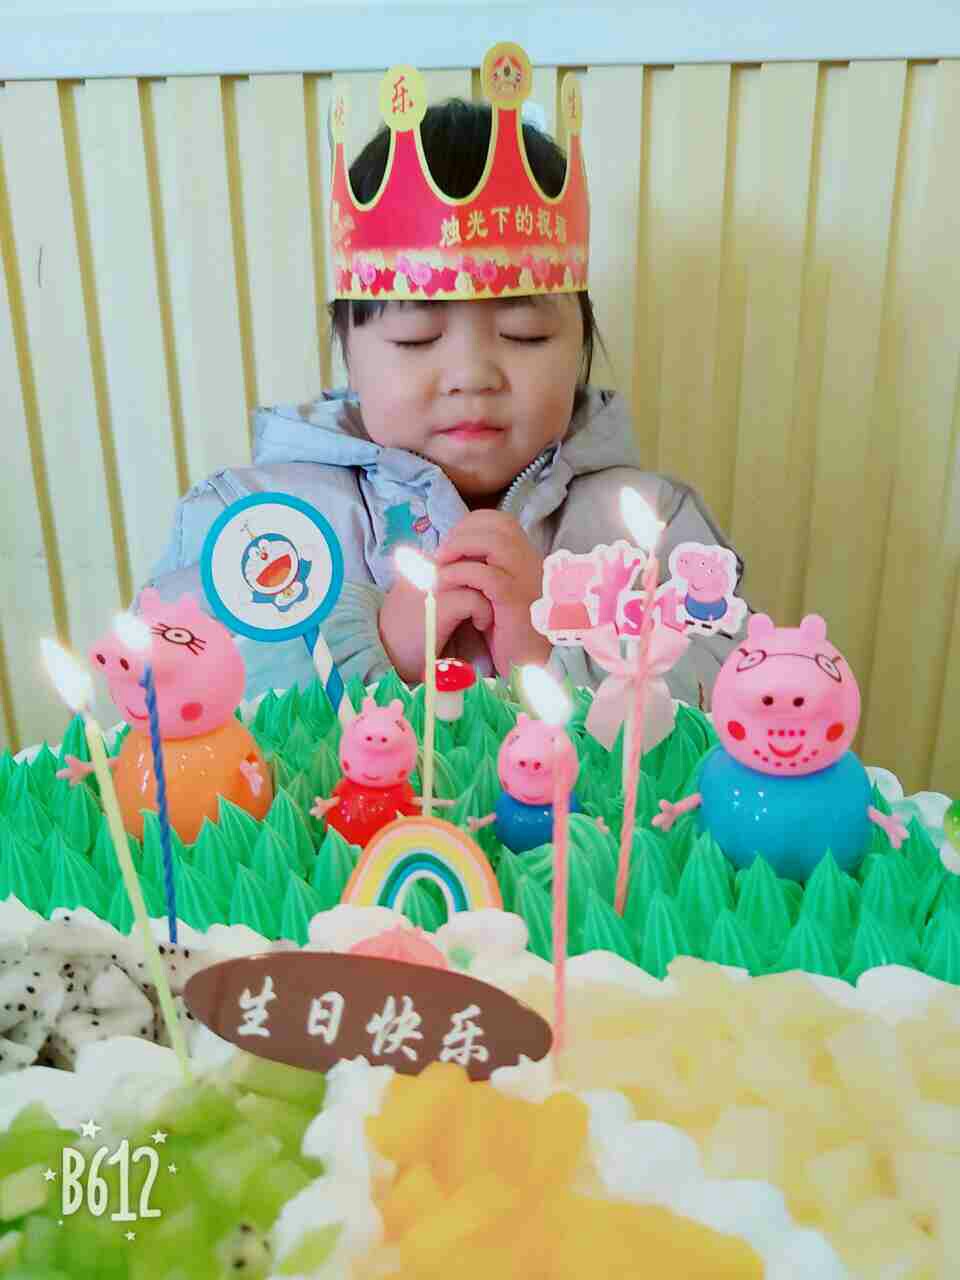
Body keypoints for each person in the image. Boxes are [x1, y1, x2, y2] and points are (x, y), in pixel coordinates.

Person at [146, 88, 748, 708]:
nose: (471, 376)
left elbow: (731, 704)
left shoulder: (652, 525)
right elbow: (168, 698)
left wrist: (558, 655)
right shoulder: (255, 518)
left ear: (580, 343)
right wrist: (372, 644)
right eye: (417, 337)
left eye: (525, 334)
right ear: (349, 348)